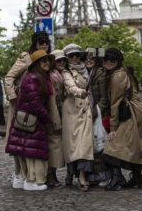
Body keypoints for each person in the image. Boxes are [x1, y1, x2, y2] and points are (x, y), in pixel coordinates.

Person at [102, 48, 142, 191]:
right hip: (136, 112)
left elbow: (115, 102)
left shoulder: (117, 76)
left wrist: (113, 128)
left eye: (112, 59)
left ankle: (117, 179)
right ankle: (137, 179)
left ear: (118, 61)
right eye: (106, 59)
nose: (108, 62)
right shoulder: (122, 72)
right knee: (134, 147)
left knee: (112, 148)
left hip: (130, 114)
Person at [5, 31, 50, 189]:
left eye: (46, 41)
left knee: (28, 142)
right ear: (35, 43)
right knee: (19, 141)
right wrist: (13, 96)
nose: (44, 44)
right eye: (41, 41)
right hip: (23, 105)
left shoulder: (46, 60)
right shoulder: (27, 58)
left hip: (37, 105)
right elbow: (9, 77)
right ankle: (19, 174)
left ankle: (30, 177)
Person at [61, 43, 94, 191]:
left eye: (77, 55)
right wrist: (80, 92)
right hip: (72, 110)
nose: (74, 58)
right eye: (71, 56)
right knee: (73, 145)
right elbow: (70, 86)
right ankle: (70, 173)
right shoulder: (65, 72)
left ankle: (81, 176)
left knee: (84, 145)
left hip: (86, 109)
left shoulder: (86, 68)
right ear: (66, 57)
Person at [85, 48, 112, 185]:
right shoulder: (87, 74)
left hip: (99, 114)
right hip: (90, 114)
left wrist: (94, 112)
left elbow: (104, 99)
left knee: (100, 147)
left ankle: (103, 176)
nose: (89, 60)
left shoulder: (99, 74)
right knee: (92, 148)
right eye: (86, 58)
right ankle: (94, 176)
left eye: (92, 58)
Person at [46, 50, 67, 187]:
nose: (62, 63)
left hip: (59, 110)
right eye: (58, 60)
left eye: (63, 60)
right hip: (52, 111)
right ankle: (50, 175)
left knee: (55, 145)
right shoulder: (52, 75)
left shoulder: (59, 74)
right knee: (53, 145)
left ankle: (52, 173)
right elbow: (52, 98)